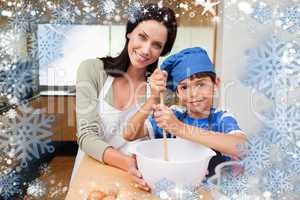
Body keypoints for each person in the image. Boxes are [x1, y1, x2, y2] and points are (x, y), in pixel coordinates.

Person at [71, 3, 177, 191]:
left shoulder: (162, 93)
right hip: (95, 169)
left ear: (163, 51)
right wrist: (128, 164)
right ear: (130, 32)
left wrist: (154, 98)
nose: (145, 50)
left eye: (156, 45)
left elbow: (158, 142)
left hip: (137, 179)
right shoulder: (92, 70)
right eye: (142, 37)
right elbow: (86, 136)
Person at [123, 47, 247, 177]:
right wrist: (154, 97)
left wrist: (179, 128)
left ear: (215, 84)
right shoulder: (173, 115)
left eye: (200, 84)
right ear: (177, 92)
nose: (193, 94)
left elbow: (243, 147)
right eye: (184, 87)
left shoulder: (221, 118)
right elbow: (128, 134)